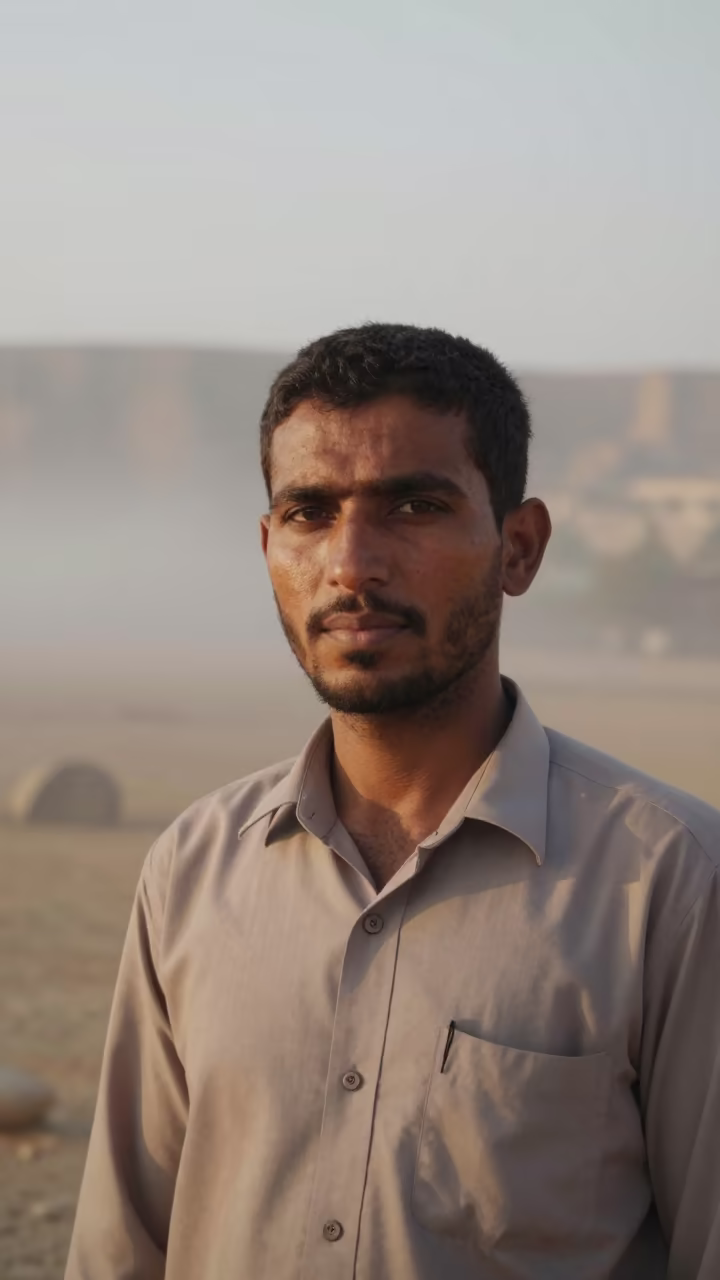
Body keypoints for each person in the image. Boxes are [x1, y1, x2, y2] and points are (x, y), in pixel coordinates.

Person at [66, 323, 720, 1280]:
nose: (351, 563)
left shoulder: (669, 879)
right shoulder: (193, 867)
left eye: (412, 505)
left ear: (520, 548)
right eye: (309, 512)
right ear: (268, 546)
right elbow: (121, 1249)